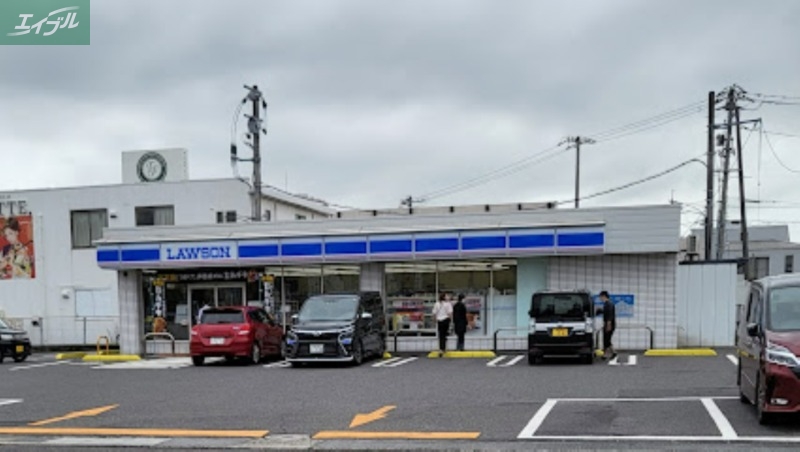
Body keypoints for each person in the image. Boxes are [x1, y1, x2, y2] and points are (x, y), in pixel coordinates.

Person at [599, 290, 617, 360]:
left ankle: (607, 354)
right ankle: (611, 353)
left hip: (609, 324)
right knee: (607, 340)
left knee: (606, 340)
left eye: (601, 297)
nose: (600, 299)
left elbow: (609, 316)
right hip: (608, 324)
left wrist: (608, 325)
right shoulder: (607, 304)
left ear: (604, 296)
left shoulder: (609, 304)